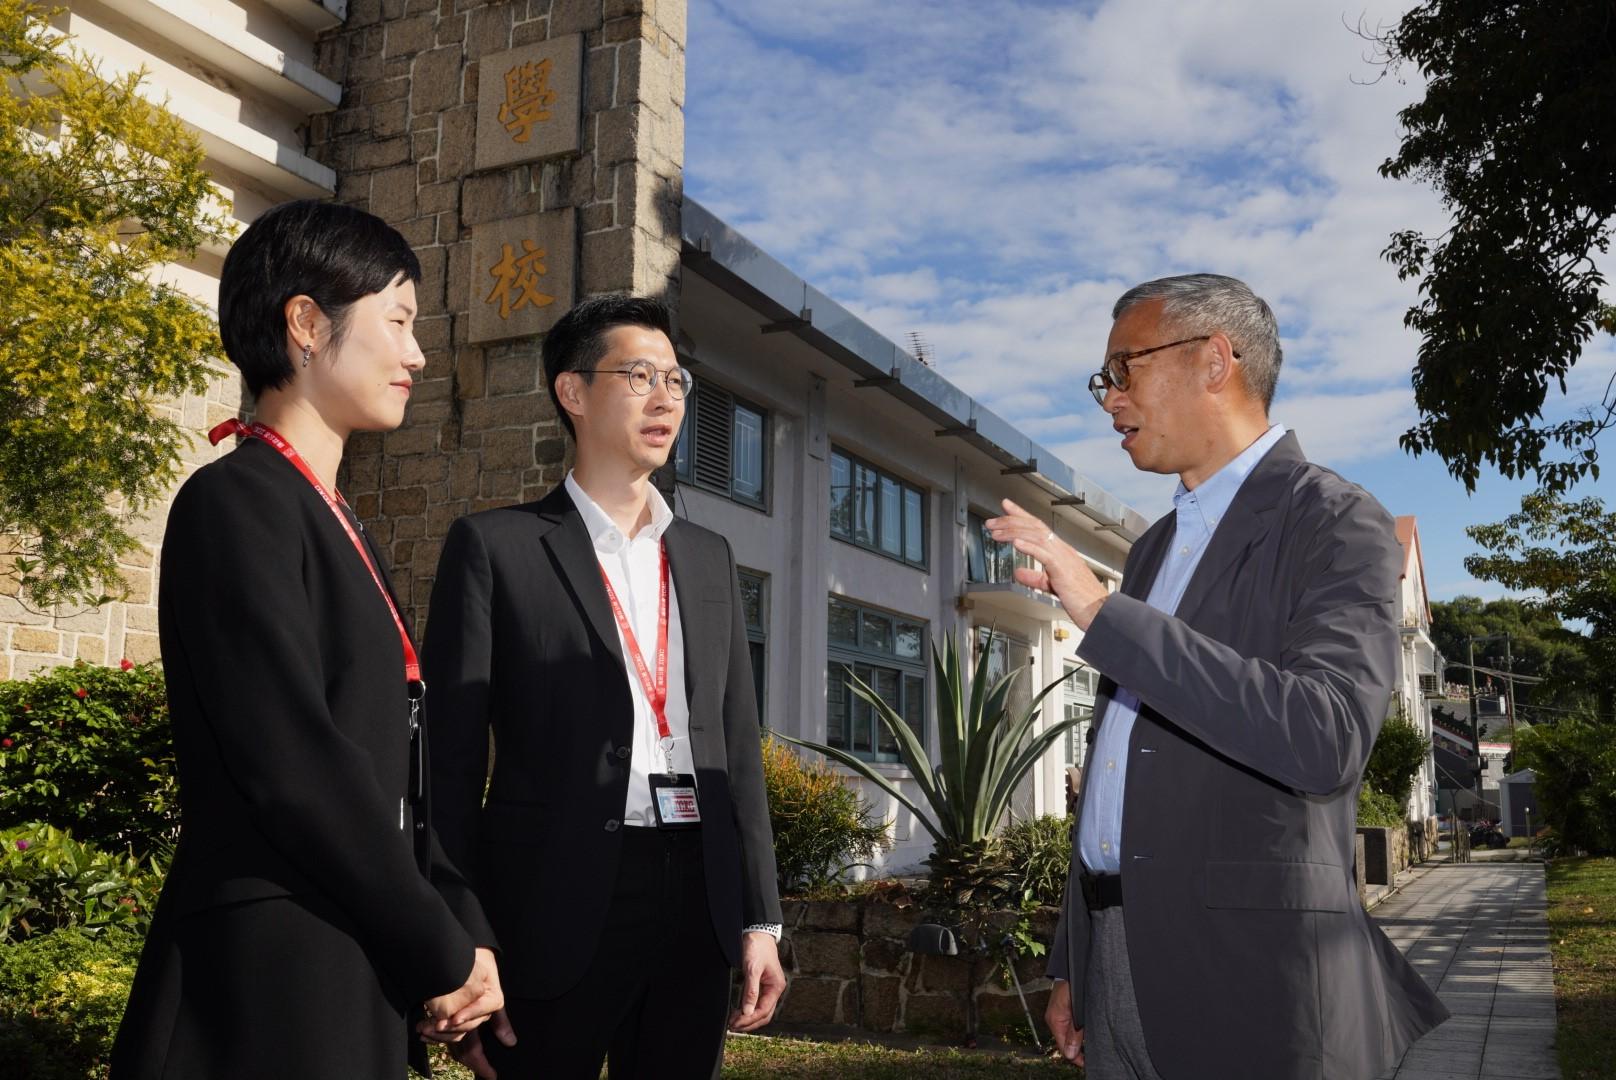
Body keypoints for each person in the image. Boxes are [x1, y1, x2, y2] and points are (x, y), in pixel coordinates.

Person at [987, 274, 1449, 1079]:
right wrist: (1075, 958)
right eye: (1105, 378)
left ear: (1213, 361)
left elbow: (1326, 736)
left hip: (1252, 979)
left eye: (1123, 369)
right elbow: (1122, 763)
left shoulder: (1334, 520)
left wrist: (1103, 615)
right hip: (1118, 961)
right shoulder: (1156, 546)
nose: (1107, 398)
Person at [111, 200, 511, 1079]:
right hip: (264, 982)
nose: (415, 354)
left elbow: (393, 775)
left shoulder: (338, 523)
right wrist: (437, 951)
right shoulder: (234, 503)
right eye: (398, 321)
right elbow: (294, 767)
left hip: (354, 959)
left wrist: (458, 934)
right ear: (305, 322)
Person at [423, 294, 786, 1079]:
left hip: (697, 898)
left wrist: (760, 919)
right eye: (640, 375)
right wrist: (463, 932)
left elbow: (736, 748)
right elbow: (448, 767)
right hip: (553, 901)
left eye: (677, 380)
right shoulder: (497, 548)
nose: (667, 399)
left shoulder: (707, 555)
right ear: (573, 392)